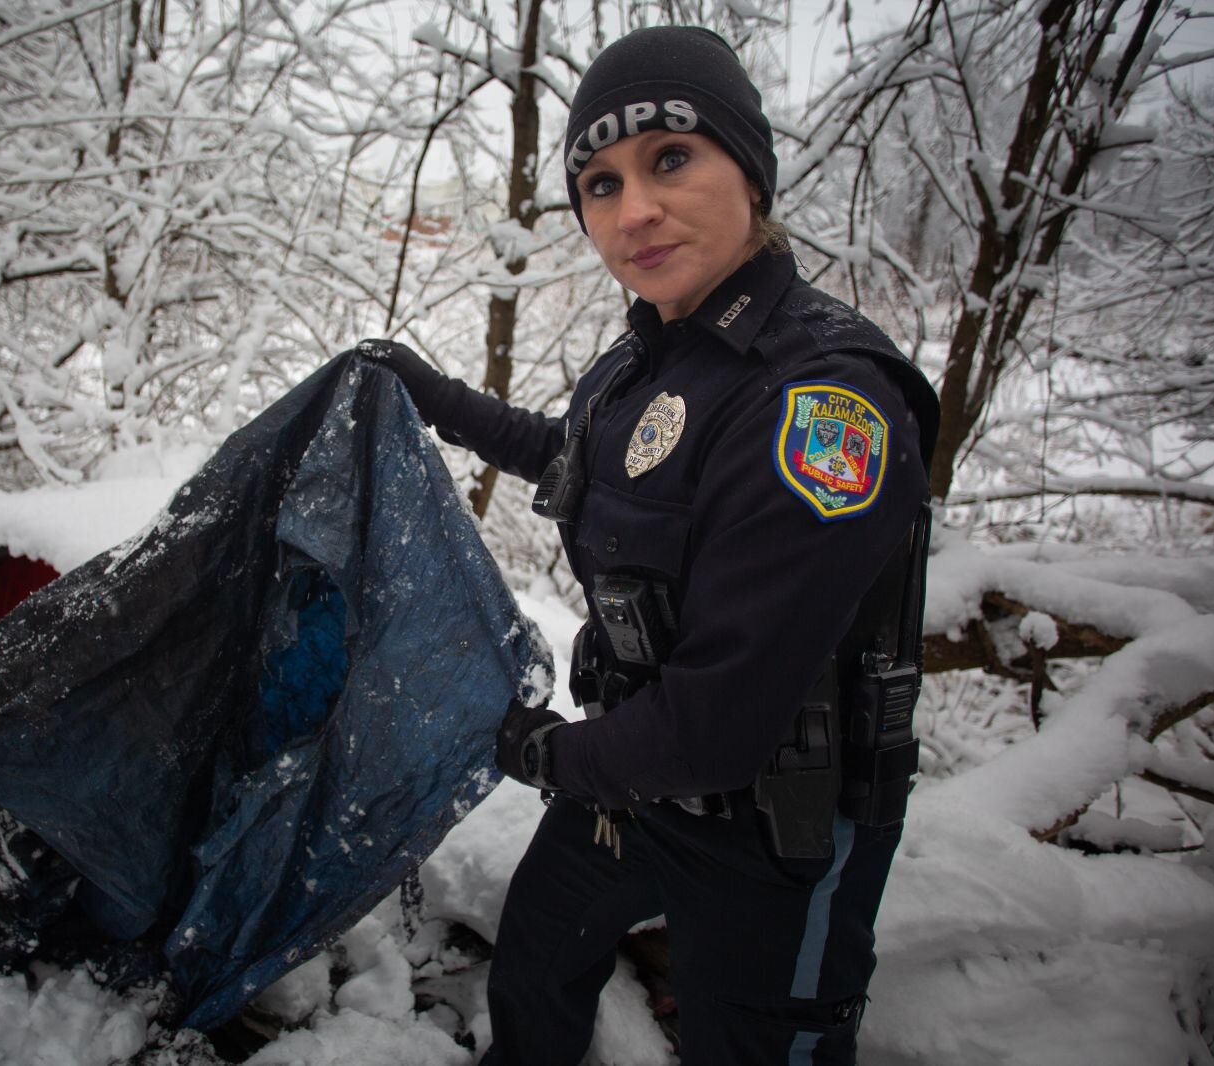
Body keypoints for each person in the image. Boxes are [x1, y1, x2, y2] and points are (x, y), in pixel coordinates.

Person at [364, 25, 939, 1066]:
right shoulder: (655, 356)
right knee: (537, 956)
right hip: (637, 780)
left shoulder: (826, 406)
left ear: (750, 172)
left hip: (776, 838)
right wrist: (436, 399)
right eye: (599, 182)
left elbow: (719, 721)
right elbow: (592, 464)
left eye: (672, 158)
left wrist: (543, 751)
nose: (633, 210)